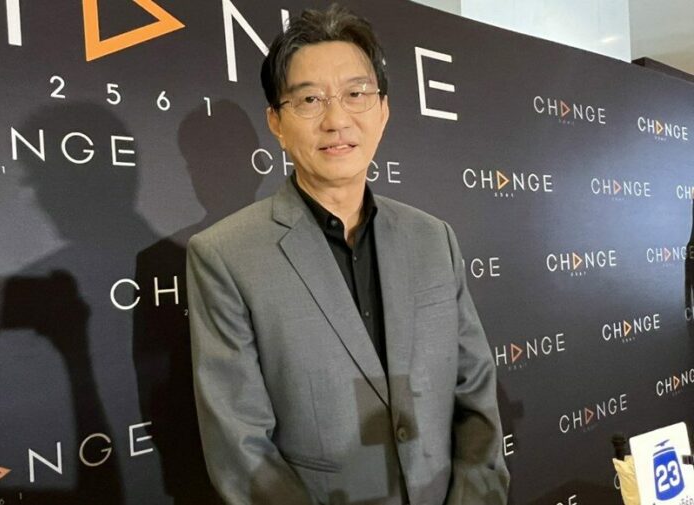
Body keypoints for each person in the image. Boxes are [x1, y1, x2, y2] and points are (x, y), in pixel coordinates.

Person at [186, 4, 509, 504]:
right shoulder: (224, 256)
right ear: (276, 121)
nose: (336, 120)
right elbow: (241, 451)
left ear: (383, 110)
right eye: (309, 99)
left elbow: (476, 398)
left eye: (356, 94)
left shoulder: (433, 238)